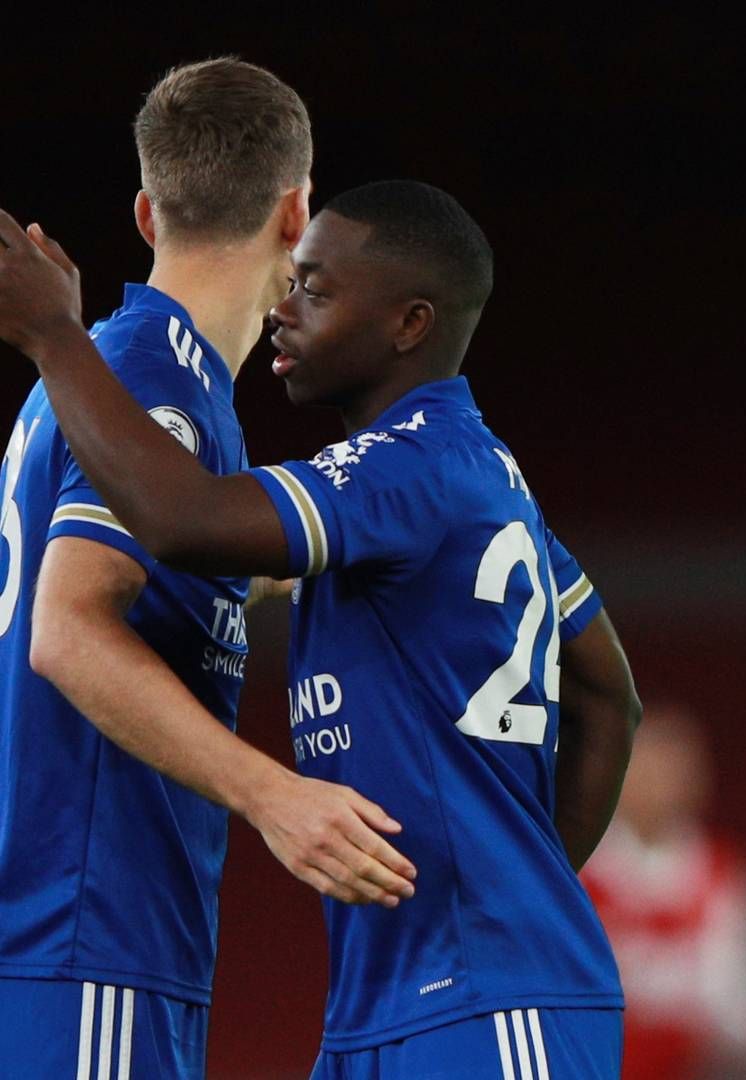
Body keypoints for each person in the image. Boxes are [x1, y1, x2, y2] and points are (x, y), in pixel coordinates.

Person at [0, 179, 640, 1078]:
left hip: (488, 1003)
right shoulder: (463, 474)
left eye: (318, 290)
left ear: (409, 324)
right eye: (292, 281)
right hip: (383, 1004)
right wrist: (527, 883)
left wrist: (55, 336)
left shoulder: (411, 465)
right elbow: (608, 691)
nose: (284, 308)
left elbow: (181, 517)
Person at [0, 58, 415, 1079]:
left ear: (147, 213)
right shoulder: (152, 383)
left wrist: (282, 567)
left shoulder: (107, 375)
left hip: (87, 937)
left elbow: (165, 560)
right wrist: (276, 795)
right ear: (297, 213)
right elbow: (69, 630)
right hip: (86, 934)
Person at [581, 704, 746, 1079]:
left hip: (695, 1063)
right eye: (647, 768)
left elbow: (730, 996)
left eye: (673, 771)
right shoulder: (580, 869)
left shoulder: (720, 869)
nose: (659, 785)